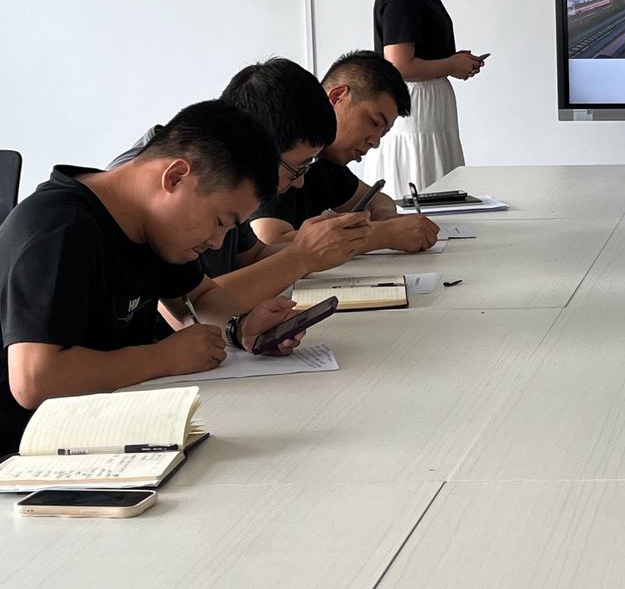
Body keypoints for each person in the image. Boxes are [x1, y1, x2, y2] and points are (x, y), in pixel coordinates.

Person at [0, 102, 309, 455]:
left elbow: (199, 297)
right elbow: (35, 380)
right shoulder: (58, 229)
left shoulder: (152, 225)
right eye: (220, 222)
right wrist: (163, 357)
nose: (216, 242)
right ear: (175, 177)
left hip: (107, 424)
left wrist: (241, 326)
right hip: (23, 453)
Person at [109, 58, 374, 311]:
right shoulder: (160, 192)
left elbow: (250, 257)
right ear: (259, 142)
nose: (299, 182)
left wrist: (317, 244)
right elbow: (195, 306)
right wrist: (301, 257)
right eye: (297, 168)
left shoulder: (225, 179)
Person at [354, 0, 484, 194]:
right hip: (417, 110)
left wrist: (453, 61)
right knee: (424, 192)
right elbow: (399, 65)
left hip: (428, 109)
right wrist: (451, 65)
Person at [250, 51, 440, 253]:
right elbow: (269, 243)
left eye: (383, 133)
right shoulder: (281, 154)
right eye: (374, 122)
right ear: (337, 96)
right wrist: (385, 234)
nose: (375, 142)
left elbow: (378, 199)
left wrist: (387, 219)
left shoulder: (326, 163)